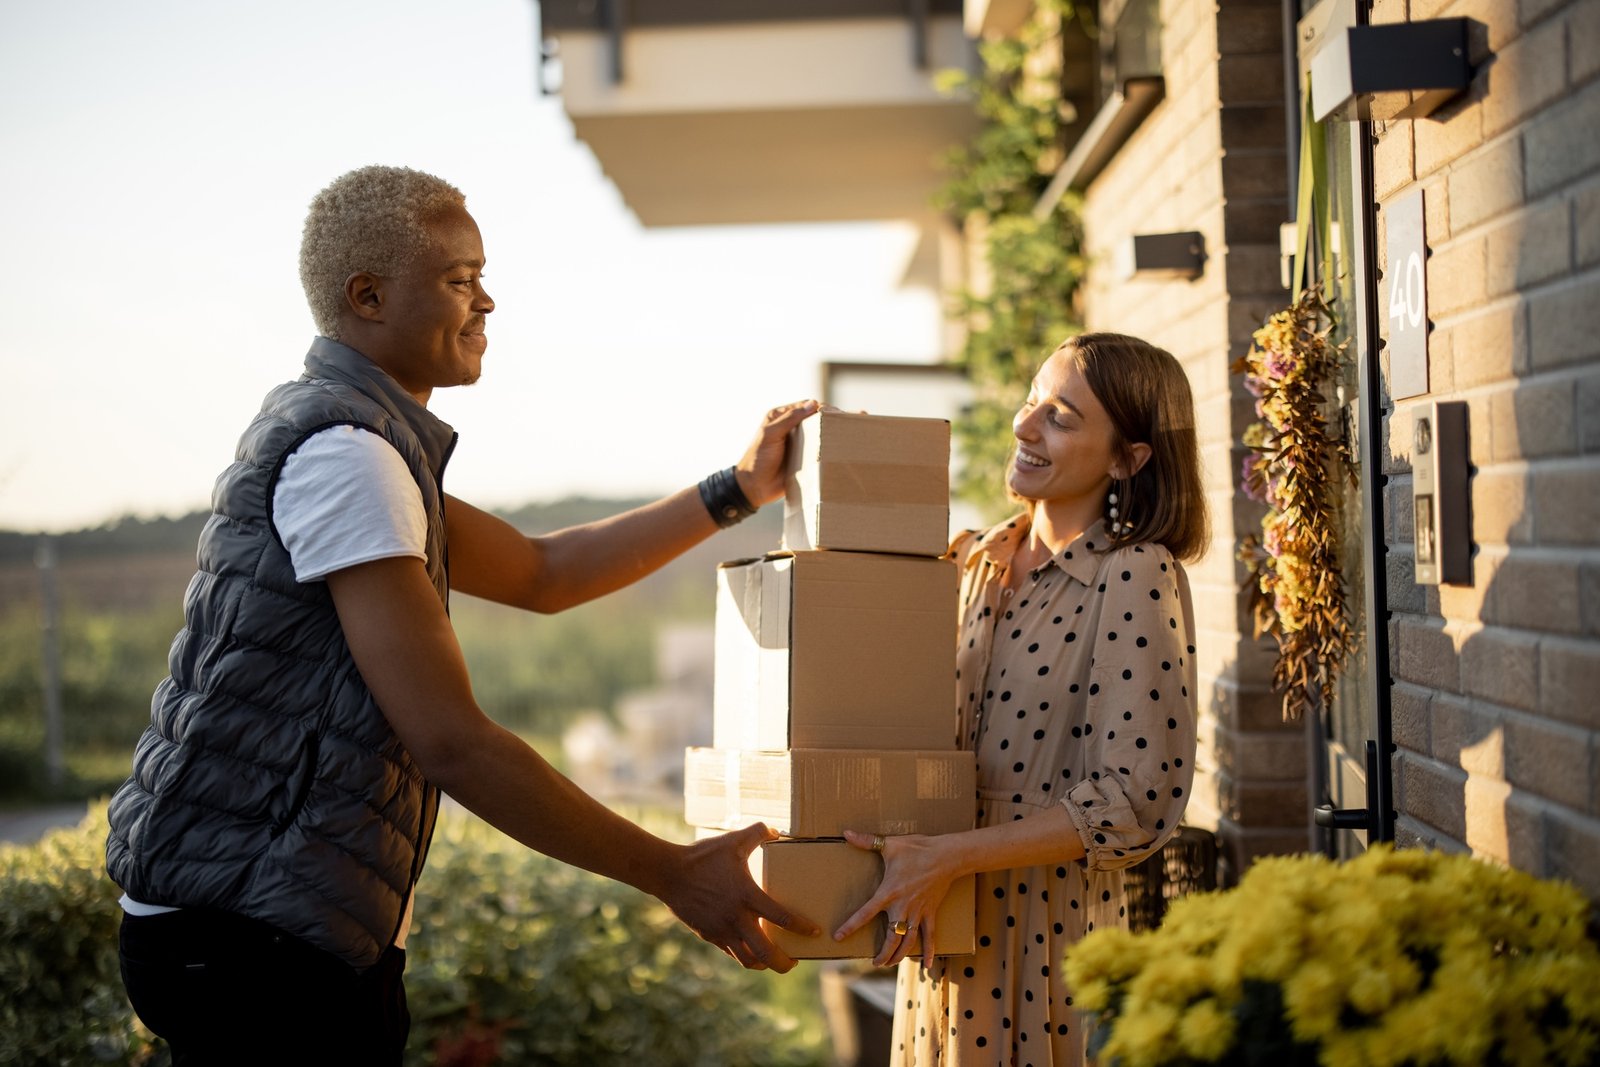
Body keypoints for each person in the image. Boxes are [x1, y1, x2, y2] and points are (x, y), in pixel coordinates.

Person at [104, 163, 820, 1065]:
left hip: (254, 924)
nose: (487, 303)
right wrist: (673, 871)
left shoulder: (365, 439)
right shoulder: (348, 455)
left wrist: (738, 489)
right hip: (253, 938)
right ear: (368, 295)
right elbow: (453, 740)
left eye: (481, 276)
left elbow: (545, 571)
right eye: (458, 280)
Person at [834, 333, 1209, 1066]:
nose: (1025, 425)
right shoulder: (974, 560)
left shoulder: (1132, 574)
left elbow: (1136, 798)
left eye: (1062, 416)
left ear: (1129, 457)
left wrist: (950, 857)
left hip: (1046, 938)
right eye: (1032, 400)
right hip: (940, 920)